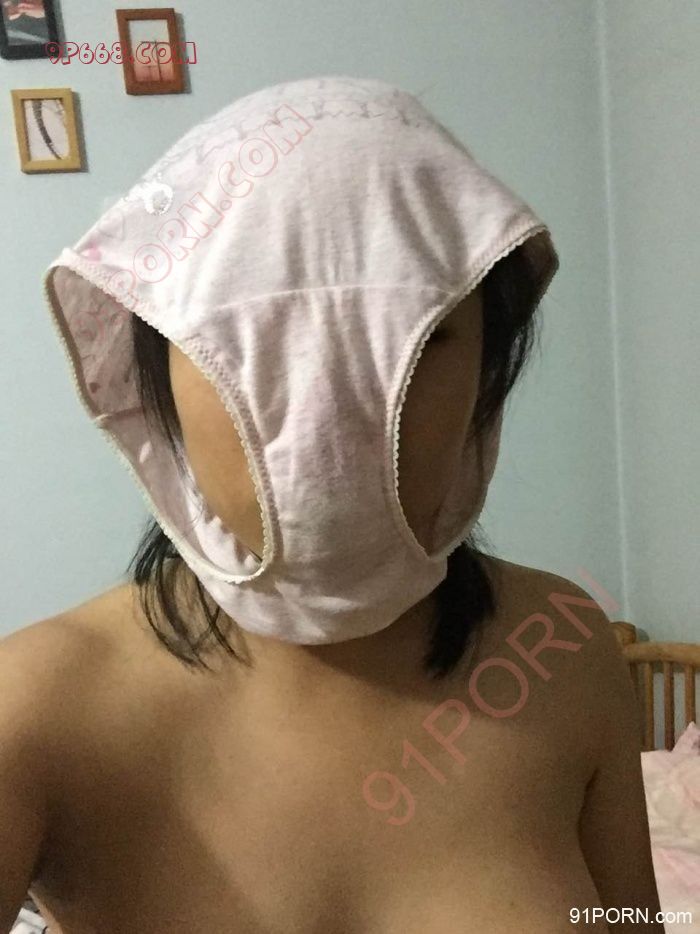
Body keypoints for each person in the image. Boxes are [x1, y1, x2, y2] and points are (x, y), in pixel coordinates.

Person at [1, 75, 663, 933]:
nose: (332, 405)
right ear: (152, 373)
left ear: (488, 367)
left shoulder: (565, 650)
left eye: (417, 337)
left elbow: (631, 922)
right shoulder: (36, 707)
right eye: (255, 339)